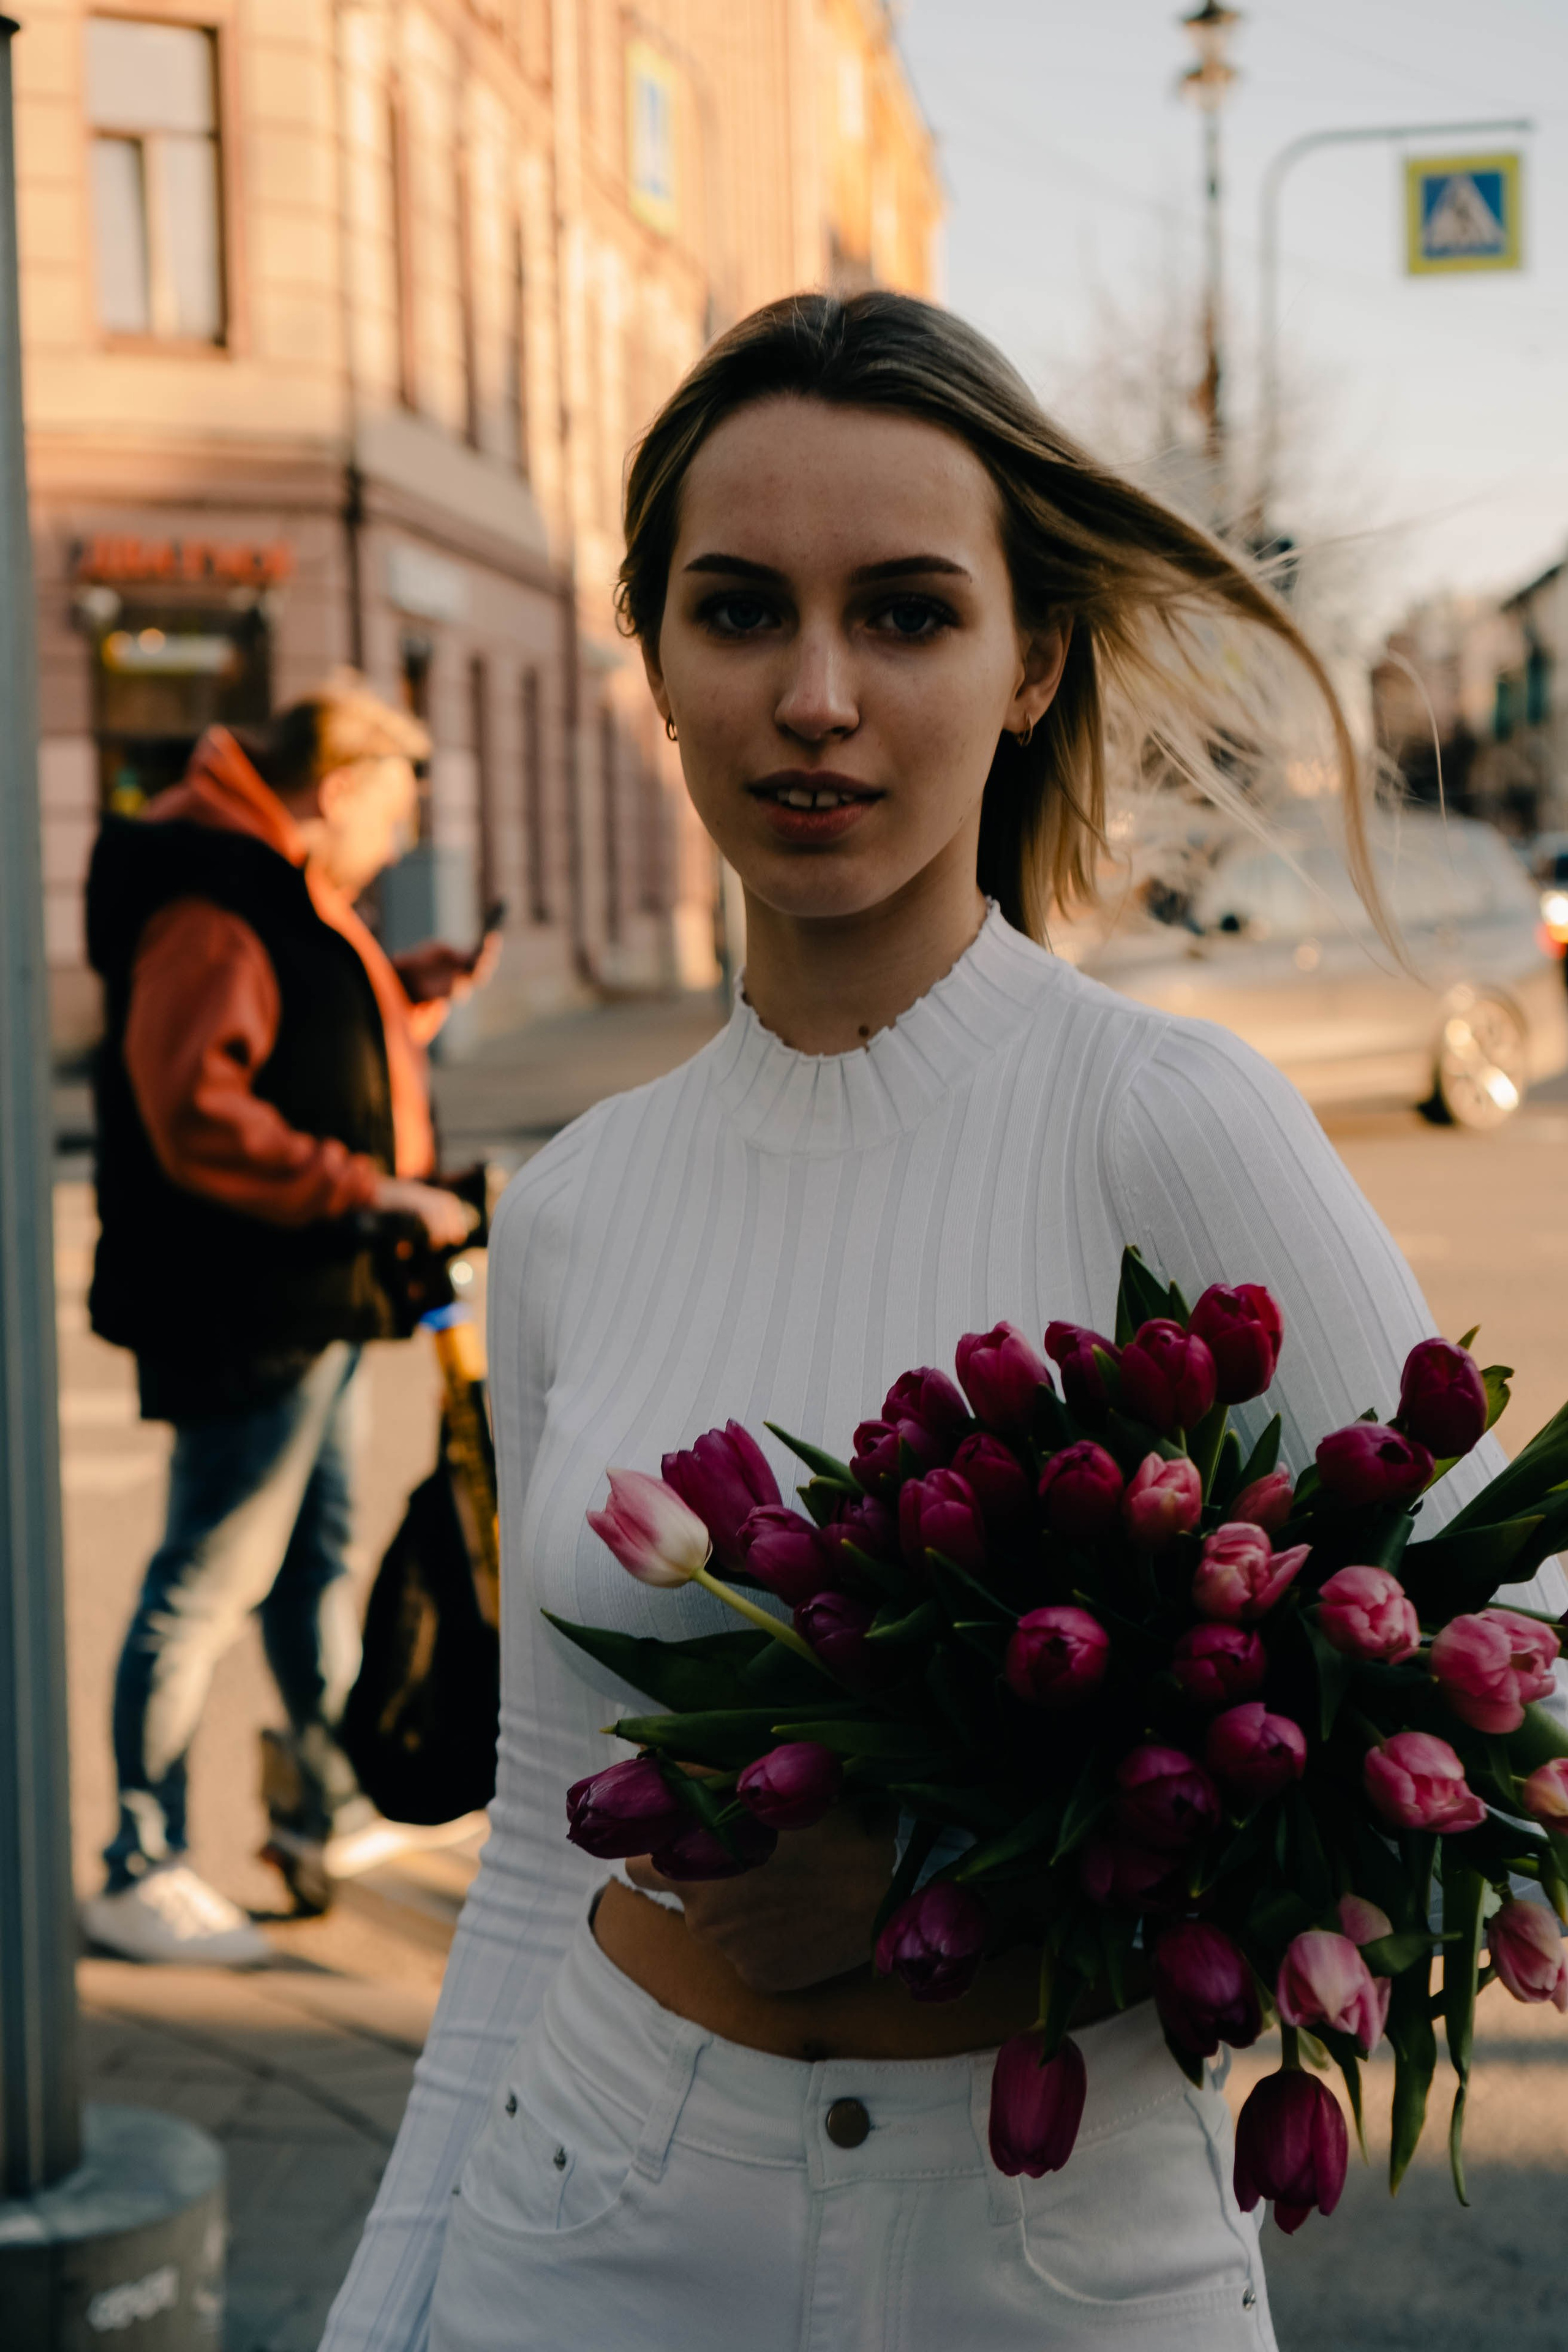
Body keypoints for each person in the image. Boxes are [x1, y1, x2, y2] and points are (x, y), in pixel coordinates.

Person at [322, 296, 1568, 2350]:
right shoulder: (568, 1212)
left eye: (906, 614)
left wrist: (948, 1873)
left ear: (1032, 657)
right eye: (739, 614)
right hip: (590, 2210)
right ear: (655, 656)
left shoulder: (1173, 1127)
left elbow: (1514, 1696)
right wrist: (385, 2311)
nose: (816, 697)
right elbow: (540, 1874)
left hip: (1065, 2252)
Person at [81, 676, 489, 1966]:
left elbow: (295, 1042)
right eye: (395, 810)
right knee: (207, 1577)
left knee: (306, 1563)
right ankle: (138, 1861)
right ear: (341, 786)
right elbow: (198, 1109)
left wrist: (399, 999)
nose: (397, 841)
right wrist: (371, 1188)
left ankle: (323, 1800)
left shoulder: (272, 877)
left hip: (297, 1292)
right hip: (241, 1295)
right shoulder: (219, 890)